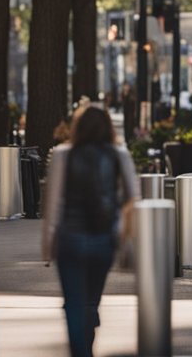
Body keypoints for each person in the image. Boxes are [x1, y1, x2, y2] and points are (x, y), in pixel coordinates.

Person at [42, 105, 139, 357]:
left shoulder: (63, 154)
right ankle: (88, 337)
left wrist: (48, 242)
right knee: (90, 301)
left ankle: (81, 351)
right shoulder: (119, 154)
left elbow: (53, 204)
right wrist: (124, 235)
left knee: (73, 304)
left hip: (69, 239)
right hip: (103, 239)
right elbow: (133, 199)